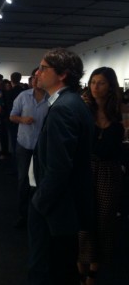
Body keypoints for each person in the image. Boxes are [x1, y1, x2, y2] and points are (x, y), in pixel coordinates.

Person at [28, 48, 94, 285]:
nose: (38, 72)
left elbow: (59, 168)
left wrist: (39, 204)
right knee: (60, 267)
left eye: (44, 68)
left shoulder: (64, 108)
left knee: (46, 269)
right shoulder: (72, 102)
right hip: (63, 206)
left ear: (63, 74)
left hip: (54, 208)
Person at [77, 67, 125, 285]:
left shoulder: (118, 112)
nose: (95, 87)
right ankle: (82, 260)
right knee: (85, 217)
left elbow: (111, 147)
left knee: (104, 219)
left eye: (101, 83)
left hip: (109, 171)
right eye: (93, 82)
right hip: (87, 169)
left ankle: (95, 266)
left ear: (110, 86)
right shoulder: (84, 109)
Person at [9, 68, 49, 229]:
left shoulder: (52, 98)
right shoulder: (23, 96)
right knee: (23, 181)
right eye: (33, 78)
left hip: (43, 147)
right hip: (24, 145)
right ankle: (23, 215)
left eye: (38, 78)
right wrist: (22, 119)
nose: (35, 80)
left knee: (41, 182)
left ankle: (37, 214)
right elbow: (12, 116)